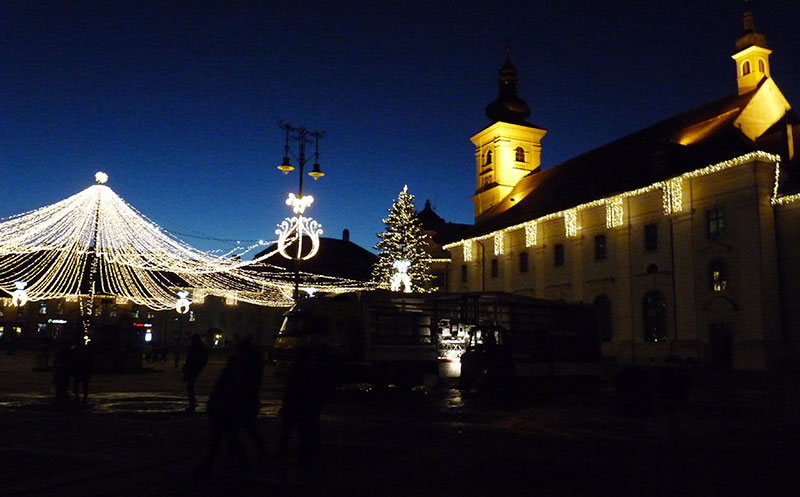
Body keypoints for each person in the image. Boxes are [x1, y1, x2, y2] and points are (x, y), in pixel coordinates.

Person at [197, 336, 266, 475]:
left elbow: (226, 390)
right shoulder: (249, 365)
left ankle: (213, 465)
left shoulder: (236, 370)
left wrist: (215, 404)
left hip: (227, 408)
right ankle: (241, 459)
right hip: (230, 407)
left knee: (225, 437)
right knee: (232, 435)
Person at [278, 336, 333, 472]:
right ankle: (306, 458)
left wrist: (286, 405)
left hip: (296, 407)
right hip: (306, 407)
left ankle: (285, 458)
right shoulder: (312, 368)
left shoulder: (298, 368)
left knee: (289, 433)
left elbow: (292, 389)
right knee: (306, 434)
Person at [182, 334, 209, 412]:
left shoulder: (194, 347)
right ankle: (192, 402)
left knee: (190, 385)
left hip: (192, 367)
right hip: (196, 367)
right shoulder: (201, 346)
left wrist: (185, 370)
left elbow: (190, 359)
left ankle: (192, 403)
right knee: (190, 385)